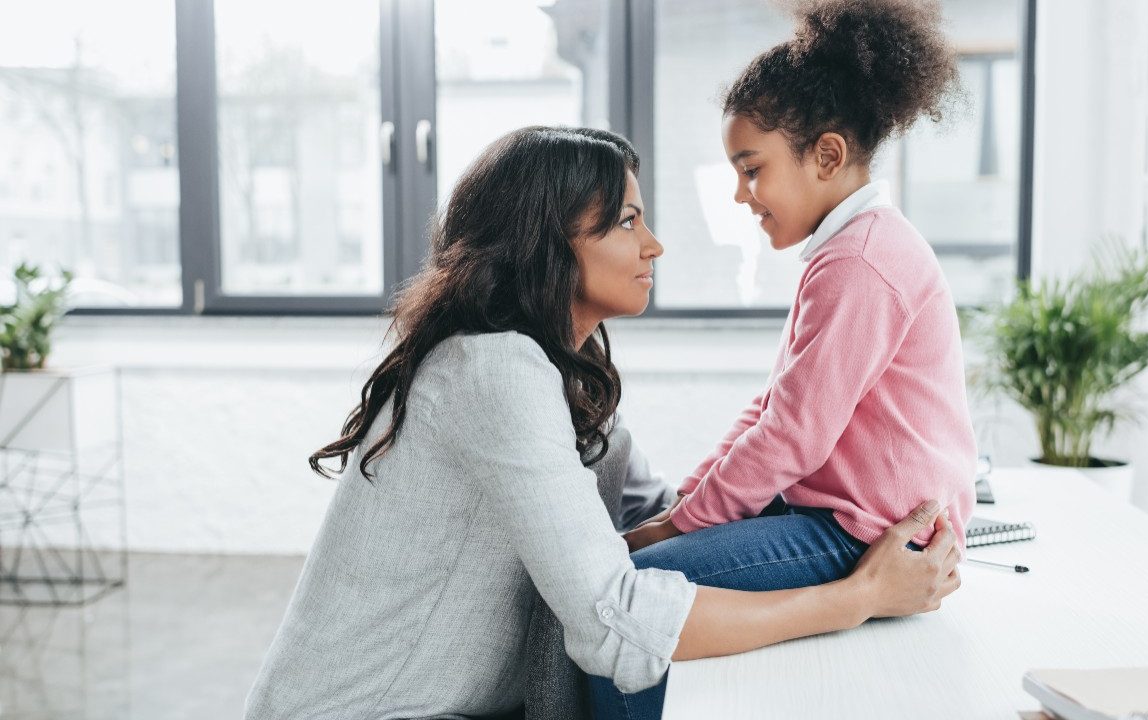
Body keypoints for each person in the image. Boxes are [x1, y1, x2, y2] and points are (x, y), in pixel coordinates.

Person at [244, 125, 960, 720]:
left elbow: (663, 515)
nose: (654, 244)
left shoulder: (560, 384)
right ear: (548, 244)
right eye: (626, 222)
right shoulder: (493, 373)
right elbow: (616, 617)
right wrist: (857, 597)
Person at [600, 0, 977, 715]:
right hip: (836, 512)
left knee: (632, 600)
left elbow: (791, 435)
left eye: (752, 169)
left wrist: (679, 525)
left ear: (826, 156)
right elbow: (776, 405)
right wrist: (693, 497)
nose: (742, 195)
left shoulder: (863, 260)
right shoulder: (849, 249)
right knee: (641, 561)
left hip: (863, 533)